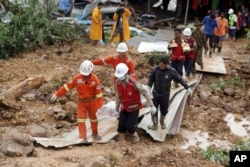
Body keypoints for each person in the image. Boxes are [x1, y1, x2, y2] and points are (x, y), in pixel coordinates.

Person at [51, 60, 103, 143]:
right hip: (81, 102)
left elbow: (99, 95)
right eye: (84, 74)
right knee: (80, 119)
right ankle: (83, 137)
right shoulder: (77, 78)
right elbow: (67, 87)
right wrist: (57, 94)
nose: (85, 76)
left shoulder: (95, 79)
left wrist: (100, 107)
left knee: (94, 119)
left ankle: (95, 133)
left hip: (92, 102)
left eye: (87, 74)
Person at [114, 63, 156, 143]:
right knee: (121, 125)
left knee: (130, 125)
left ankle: (134, 134)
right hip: (124, 107)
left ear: (126, 73)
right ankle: (122, 141)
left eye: (121, 75)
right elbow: (118, 96)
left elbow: (145, 93)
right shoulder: (118, 83)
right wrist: (117, 108)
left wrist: (152, 105)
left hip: (134, 107)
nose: (120, 77)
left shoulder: (133, 83)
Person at [147, 57, 192, 130]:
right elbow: (150, 80)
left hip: (165, 95)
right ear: (159, 63)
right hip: (155, 94)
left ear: (167, 65)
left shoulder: (171, 71)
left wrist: (187, 87)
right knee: (154, 110)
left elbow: (179, 79)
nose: (162, 67)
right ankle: (154, 124)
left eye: (164, 66)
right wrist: (148, 90)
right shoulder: (155, 70)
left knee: (164, 110)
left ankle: (162, 122)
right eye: (161, 65)